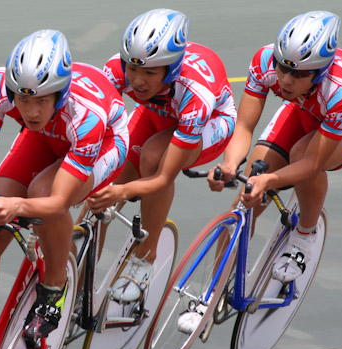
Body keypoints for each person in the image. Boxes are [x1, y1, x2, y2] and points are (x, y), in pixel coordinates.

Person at [0, 29, 129, 346]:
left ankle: (55, 286)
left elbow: (58, 203)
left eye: (41, 101)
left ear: (60, 93)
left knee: (41, 194)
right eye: (24, 100)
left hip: (103, 142)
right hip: (46, 135)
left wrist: (16, 208)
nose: (30, 111)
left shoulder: (86, 115)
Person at [208, 11, 342, 282]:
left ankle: (304, 235)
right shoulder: (264, 62)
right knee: (245, 199)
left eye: (299, 74)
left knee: (301, 155)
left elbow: (311, 163)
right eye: (283, 67)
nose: (286, 80)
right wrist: (230, 164)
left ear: (320, 71)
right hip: (304, 110)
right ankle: (211, 292)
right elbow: (243, 127)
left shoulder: (340, 91)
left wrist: (270, 179)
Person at [88, 9, 237, 303]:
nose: (137, 80)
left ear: (170, 69)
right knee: (103, 180)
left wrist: (122, 191)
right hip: (157, 112)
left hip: (209, 124)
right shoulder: (117, 71)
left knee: (154, 157)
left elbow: (162, 179)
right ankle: (80, 270)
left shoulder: (195, 93)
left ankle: (145, 259)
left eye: (149, 72)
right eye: (132, 68)